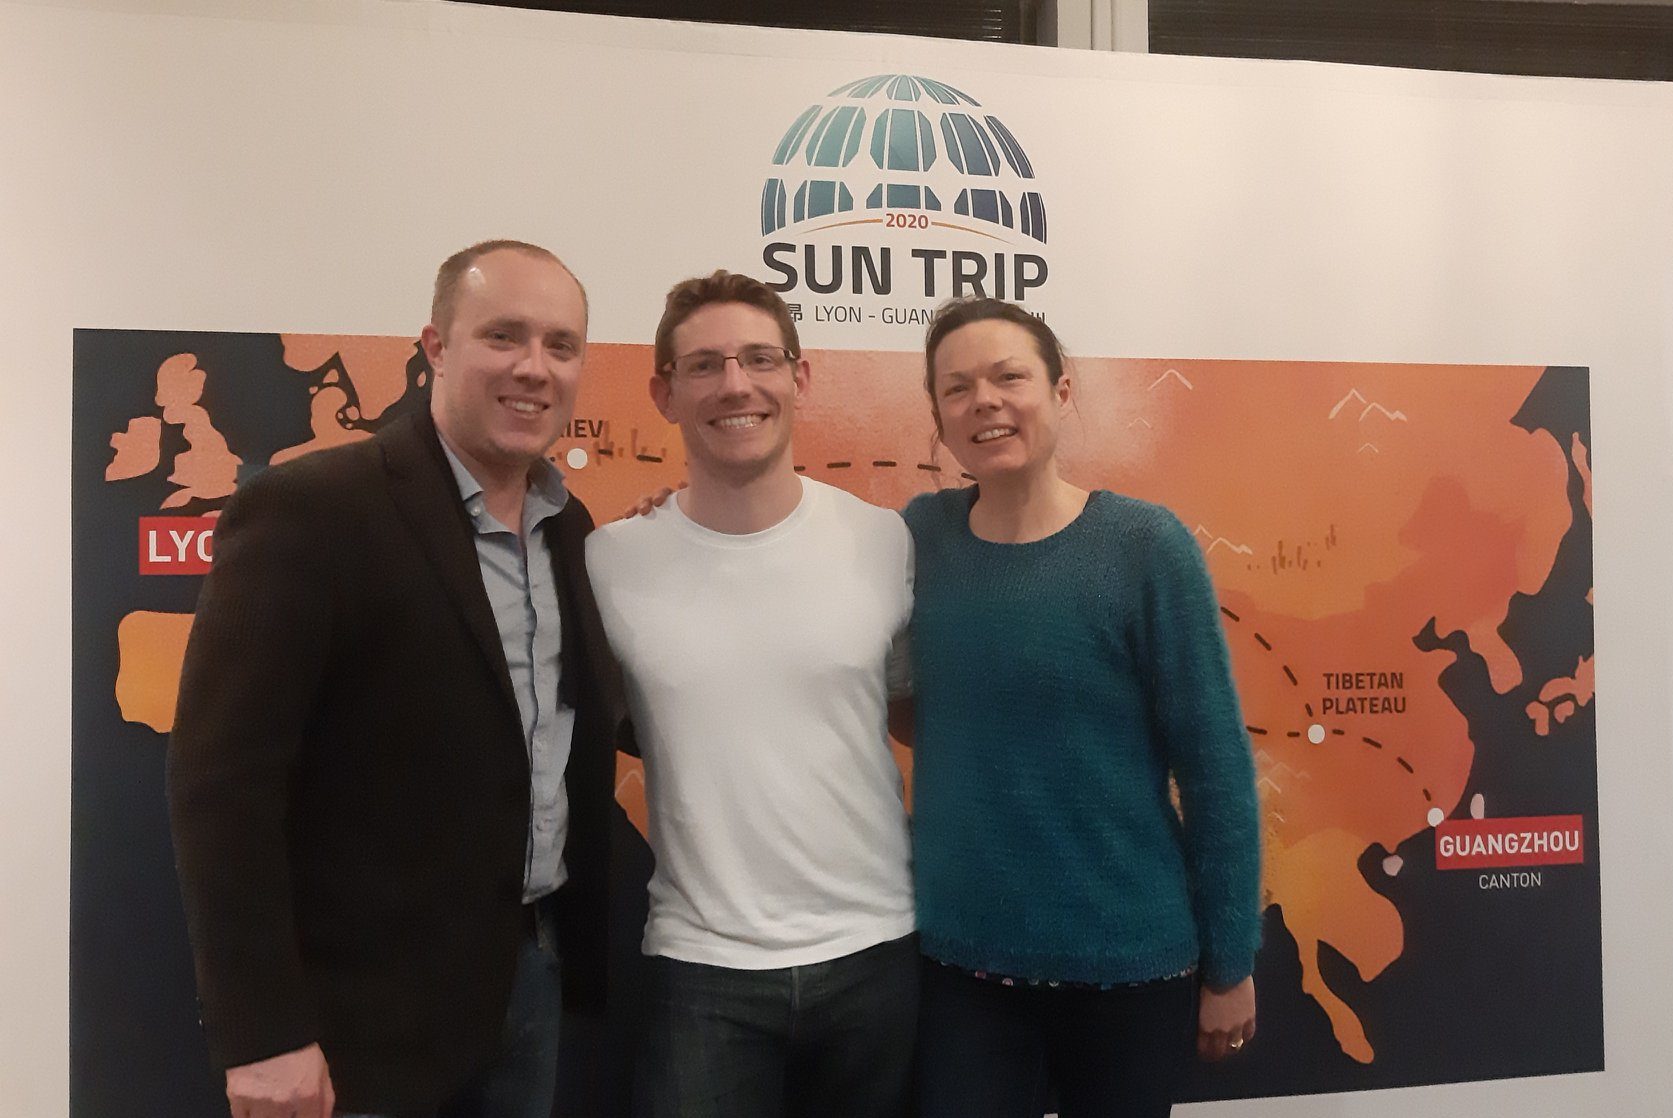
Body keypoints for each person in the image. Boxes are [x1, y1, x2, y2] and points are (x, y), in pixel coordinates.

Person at [167, 240, 622, 1118]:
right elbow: (222, 786)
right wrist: (262, 1033)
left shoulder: (569, 530)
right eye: (503, 336)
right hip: (357, 1025)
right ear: (435, 347)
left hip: (526, 983)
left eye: (560, 345)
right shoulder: (312, 510)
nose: (534, 367)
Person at [903, 297, 1262, 1118]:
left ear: (1060, 391)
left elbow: (1214, 771)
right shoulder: (919, 537)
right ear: (939, 417)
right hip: (961, 972)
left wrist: (1230, 964)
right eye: (957, 388)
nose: (984, 402)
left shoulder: (1144, 548)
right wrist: (682, 515)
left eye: (1008, 377)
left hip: (1129, 970)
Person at [585, 270, 917, 1118]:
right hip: (700, 971)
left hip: (878, 954)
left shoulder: (883, 541)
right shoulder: (608, 562)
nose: (735, 384)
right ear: (663, 393)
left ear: (798, 377)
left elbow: (921, 711)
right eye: (704, 365)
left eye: (759, 359)